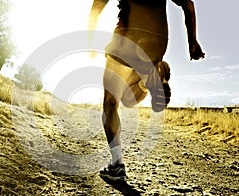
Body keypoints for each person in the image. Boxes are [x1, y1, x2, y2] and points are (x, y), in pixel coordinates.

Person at [88, 0, 205, 181]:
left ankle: (117, 165)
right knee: (128, 99)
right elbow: (188, 5)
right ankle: (149, 80)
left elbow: (98, 5)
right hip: (157, 40)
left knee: (110, 103)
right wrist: (192, 40)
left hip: (127, 38)